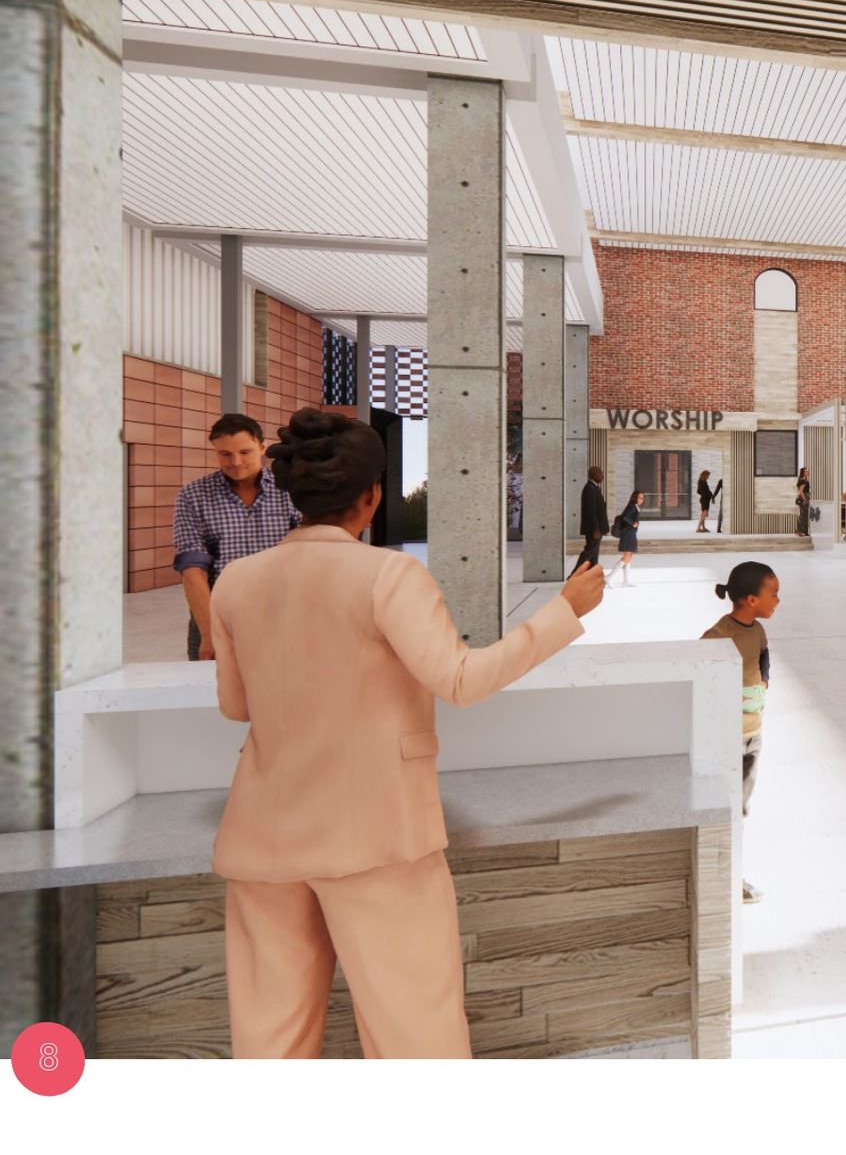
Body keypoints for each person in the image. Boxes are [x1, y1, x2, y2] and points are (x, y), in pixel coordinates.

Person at [207, 409, 602, 1057]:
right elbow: (463, 679)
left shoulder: (235, 583)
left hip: (262, 839)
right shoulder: (389, 578)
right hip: (377, 840)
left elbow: (235, 706)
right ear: (372, 497)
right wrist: (563, 613)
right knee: (416, 1037)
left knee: (268, 1044)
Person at [172, 412, 301, 660]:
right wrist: (210, 634)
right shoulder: (192, 496)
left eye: (245, 452)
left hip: (282, 613)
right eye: (225, 454)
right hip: (218, 614)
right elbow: (192, 570)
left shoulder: (290, 490)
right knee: (214, 694)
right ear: (215, 451)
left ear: (262, 447)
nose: (236, 462)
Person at [701, 561, 780, 904]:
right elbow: (701, 674)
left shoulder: (758, 630)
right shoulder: (720, 635)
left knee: (740, 809)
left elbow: (763, 656)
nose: (777, 600)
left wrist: (763, 680)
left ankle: (733, 874)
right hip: (726, 737)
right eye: (773, 594)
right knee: (723, 808)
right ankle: (719, 875)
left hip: (752, 735)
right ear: (750, 599)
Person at [573, 464, 610, 576]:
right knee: (589, 552)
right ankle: (575, 574)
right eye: (600, 473)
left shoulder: (594, 488)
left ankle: (591, 574)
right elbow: (591, 512)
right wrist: (596, 529)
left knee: (593, 553)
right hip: (594, 530)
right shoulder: (589, 489)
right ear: (593, 475)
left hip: (597, 528)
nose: (602, 476)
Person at [611, 489, 644, 587]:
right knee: (627, 557)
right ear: (635, 497)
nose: (641, 499)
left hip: (630, 533)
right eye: (639, 497)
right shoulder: (632, 506)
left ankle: (626, 580)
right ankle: (609, 577)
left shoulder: (635, 507)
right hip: (628, 534)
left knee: (629, 558)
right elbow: (624, 517)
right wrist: (633, 523)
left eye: (642, 498)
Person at [794, 466, 811, 537]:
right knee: (803, 515)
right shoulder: (803, 480)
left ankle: (802, 531)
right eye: (806, 471)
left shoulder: (804, 479)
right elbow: (801, 491)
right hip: (804, 498)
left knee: (803, 515)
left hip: (804, 497)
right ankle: (801, 531)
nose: (808, 472)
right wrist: (805, 499)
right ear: (803, 473)